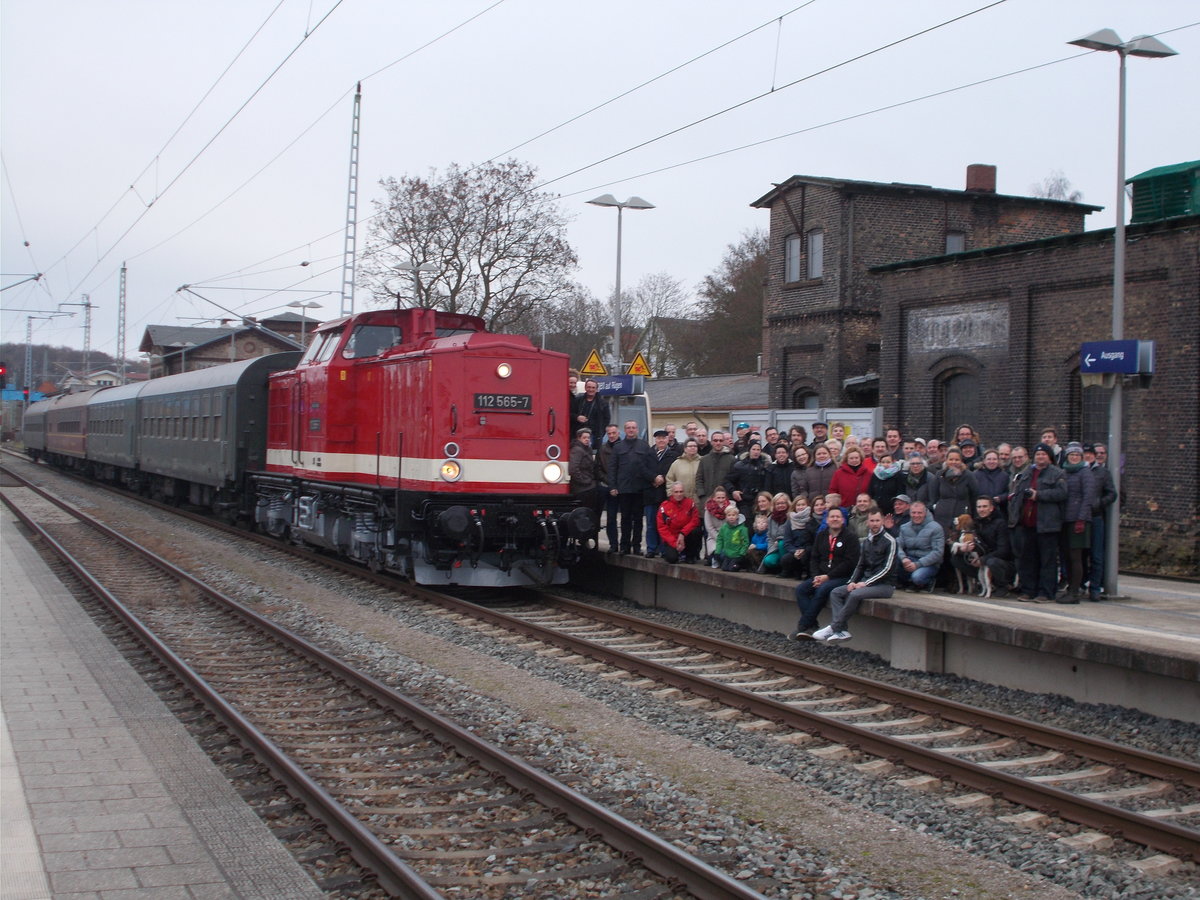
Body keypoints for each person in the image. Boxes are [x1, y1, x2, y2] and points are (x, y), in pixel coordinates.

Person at [816, 510, 899, 643]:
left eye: (877, 521)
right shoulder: (866, 542)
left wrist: (866, 583)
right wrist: (852, 582)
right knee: (836, 592)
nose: (875, 524)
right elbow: (860, 565)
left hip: (885, 585)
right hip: (866, 582)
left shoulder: (890, 541)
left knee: (855, 594)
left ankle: (834, 627)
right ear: (867, 523)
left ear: (882, 521)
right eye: (872, 521)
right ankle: (842, 630)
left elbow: (887, 569)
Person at [1008, 442, 1068, 603]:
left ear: (1049, 457)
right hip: (1027, 523)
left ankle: (1046, 592)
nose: (1040, 457)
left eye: (1043, 454)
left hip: (1048, 524)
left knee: (1047, 560)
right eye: (1038, 454)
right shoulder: (1027, 472)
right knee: (1028, 559)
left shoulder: (1058, 473)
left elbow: (1061, 493)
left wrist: (1039, 495)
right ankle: (1029, 590)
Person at [790, 507, 859, 641]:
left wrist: (828, 577)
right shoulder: (821, 536)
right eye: (832, 517)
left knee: (823, 589)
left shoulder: (850, 537)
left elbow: (849, 563)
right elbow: (814, 558)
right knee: (801, 590)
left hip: (842, 577)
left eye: (838, 517)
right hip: (821, 576)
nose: (835, 519)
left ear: (843, 520)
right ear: (827, 520)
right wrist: (816, 576)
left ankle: (803, 625)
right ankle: (812, 625)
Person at [1057, 442, 1097, 604]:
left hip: (1078, 519)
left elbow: (1088, 497)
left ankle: (1075, 592)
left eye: (1077, 455)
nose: (1074, 457)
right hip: (1065, 519)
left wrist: (1081, 518)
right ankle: (1070, 588)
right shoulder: (1064, 471)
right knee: (1066, 556)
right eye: (1071, 455)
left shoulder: (1085, 473)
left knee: (1076, 556)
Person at [950, 496, 1013, 595]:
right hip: (979, 557)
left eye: (984, 506)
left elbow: (1004, 550)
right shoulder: (974, 523)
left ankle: (1003, 585)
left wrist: (982, 560)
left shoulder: (1000, 524)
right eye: (979, 507)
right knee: (956, 558)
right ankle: (984, 583)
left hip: (999, 560)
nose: (981, 509)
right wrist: (963, 549)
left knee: (992, 562)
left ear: (991, 508)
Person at [610, 420, 653, 555]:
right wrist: (613, 486)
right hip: (624, 489)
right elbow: (613, 468)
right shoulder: (618, 447)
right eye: (628, 428)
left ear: (637, 430)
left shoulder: (644, 446)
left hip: (639, 489)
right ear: (625, 430)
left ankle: (637, 546)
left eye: (633, 427)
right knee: (625, 519)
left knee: (638, 519)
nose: (631, 430)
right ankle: (624, 546)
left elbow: (649, 465)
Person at [1083, 443, 1117, 601]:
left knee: (1096, 555)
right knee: (1080, 554)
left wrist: (1099, 503)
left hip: (1096, 517)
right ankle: (1080, 583)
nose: (1088, 456)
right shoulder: (1078, 471)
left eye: (1090, 453)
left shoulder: (1103, 473)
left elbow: (1112, 494)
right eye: (1085, 454)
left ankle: (1095, 587)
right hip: (1080, 517)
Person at [642, 429, 679, 558]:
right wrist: (653, 478)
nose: (661, 440)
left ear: (668, 439)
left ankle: (664, 549)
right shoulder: (647, 454)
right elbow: (642, 469)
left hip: (664, 495)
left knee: (665, 524)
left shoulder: (673, 455)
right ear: (655, 440)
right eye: (658, 438)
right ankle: (651, 549)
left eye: (663, 438)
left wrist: (662, 478)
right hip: (650, 493)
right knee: (651, 524)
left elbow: (673, 471)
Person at [898, 500, 944, 591]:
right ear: (910, 513)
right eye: (913, 513)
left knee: (917, 577)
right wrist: (903, 558)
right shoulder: (904, 527)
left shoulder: (936, 528)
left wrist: (918, 564)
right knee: (892, 563)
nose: (916, 515)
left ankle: (928, 582)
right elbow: (898, 545)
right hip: (909, 560)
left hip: (928, 563)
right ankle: (910, 582)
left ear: (925, 513)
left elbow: (938, 553)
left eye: (919, 513)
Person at [656, 481, 701, 564]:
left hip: (686, 535)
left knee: (696, 531)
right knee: (672, 559)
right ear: (672, 492)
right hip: (672, 538)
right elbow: (662, 528)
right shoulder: (664, 506)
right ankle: (675, 553)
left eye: (681, 492)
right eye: (676, 492)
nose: (679, 494)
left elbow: (695, 521)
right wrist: (675, 543)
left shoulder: (690, 503)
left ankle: (690, 556)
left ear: (684, 492)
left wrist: (682, 534)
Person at [568, 428, 599, 542]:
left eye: (588, 438)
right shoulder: (577, 450)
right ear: (578, 438)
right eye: (584, 438)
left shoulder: (587, 449)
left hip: (588, 485)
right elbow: (573, 469)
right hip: (582, 487)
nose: (587, 440)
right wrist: (585, 481)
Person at [727, 441, 768, 519]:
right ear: (749, 451)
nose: (756, 452)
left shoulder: (765, 466)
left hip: (760, 501)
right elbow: (727, 481)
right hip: (744, 501)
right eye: (754, 449)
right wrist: (733, 491)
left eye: (758, 450)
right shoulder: (740, 466)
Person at [597, 423, 622, 550]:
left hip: (621, 487)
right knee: (610, 518)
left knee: (626, 518)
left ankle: (625, 544)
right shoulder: (602, 449)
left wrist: (617, 484)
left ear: (618, 433)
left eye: (614, 433)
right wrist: (609, 482)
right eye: (609, 433)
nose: (611, 436)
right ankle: (613, 544)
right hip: (606, 486)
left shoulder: (624, 447)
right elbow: (597, 468)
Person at [755, 492, 793, 574]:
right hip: (774, 548)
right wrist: (773, 546)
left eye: (783, 503)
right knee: (768, 561)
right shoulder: (771, 519)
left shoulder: (791, 517)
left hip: (788, 547)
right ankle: (780, 567)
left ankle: (787, 569)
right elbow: (769, 536)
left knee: (781, 543)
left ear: (787, 503)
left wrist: (779, 541)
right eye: (778, 504)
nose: (780, 505)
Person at [695, 431, 734, 508]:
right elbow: (699, 479)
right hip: (707, 499)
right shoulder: (704, 459)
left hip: (726, 501)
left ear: (724, 442)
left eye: (720, 440)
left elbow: (734, 480)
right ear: (711, 442)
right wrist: (702, 495)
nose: (718, 443)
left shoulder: (731, 459)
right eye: (715, 440)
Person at [779, 494, 815, 578]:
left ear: (807, 506)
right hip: (795, 550)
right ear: (794, 507)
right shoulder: (790, 521)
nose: (801, 507)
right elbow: (787, 541)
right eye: (798, 505)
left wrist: (804, 550)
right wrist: (795, 551)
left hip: (808, 550)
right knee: (785, 559)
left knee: (806, 557)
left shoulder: (811, 519)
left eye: (803, 504)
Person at [829, 446, 872, 511]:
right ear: (847, 459)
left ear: (860, 458)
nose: (854, 460)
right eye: (851, 458)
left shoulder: (868, 473)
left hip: (864, 508)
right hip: (844, 508)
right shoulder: (838, 473)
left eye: (856, 458)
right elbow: (833, 491)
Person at [713, 504, 751, 571]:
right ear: (726, 517)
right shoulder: (724, 527)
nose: (731, 517)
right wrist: (717, 551)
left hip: (737, 554)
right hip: (727, 553)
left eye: (733, 515)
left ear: (737, 516)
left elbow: (745, 542)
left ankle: (741, 565)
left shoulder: (742, 529)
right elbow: (720, 539)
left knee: (732, 569)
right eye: (729, 515)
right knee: (724, 568)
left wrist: (742, 553)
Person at [974, 448, 1010, 518]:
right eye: (989, 459)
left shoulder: (1004, 475)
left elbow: (1008, 492)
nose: (991, 461)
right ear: (984, 461)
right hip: (979, 512)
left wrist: (1001, 498)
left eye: (994, 459)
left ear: (998, 461)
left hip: (998, 512)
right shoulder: (976, 475)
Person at [703, 486, 732, 560]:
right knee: (720, 555)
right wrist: (720, 539)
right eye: (718, 498)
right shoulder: (708, 509)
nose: (721, 500)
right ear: (714, 498)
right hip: (714, 538)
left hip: (729, 537)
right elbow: (709, 528)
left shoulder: (731, 507)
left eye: (723, 498)